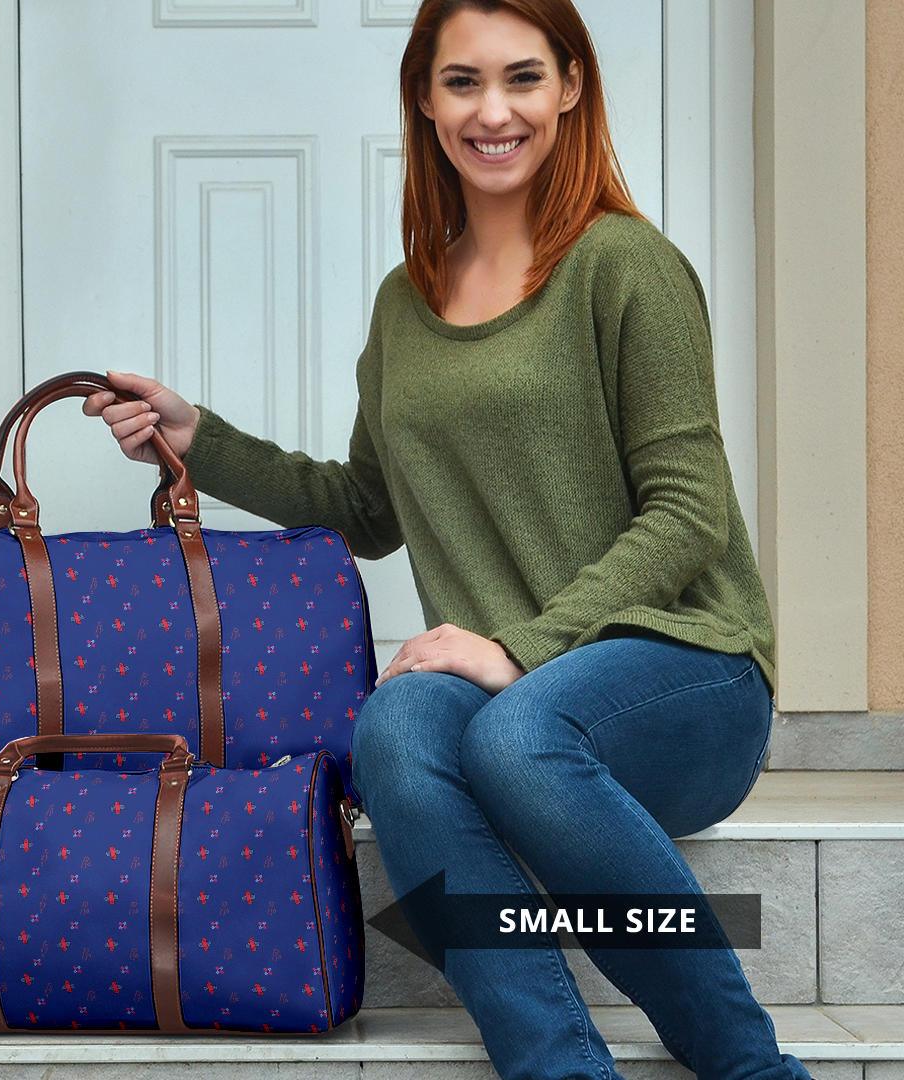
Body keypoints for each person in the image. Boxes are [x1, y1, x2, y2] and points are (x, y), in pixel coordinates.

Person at [83, 2, 812, 1076]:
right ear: (425, 100)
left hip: (687, 674)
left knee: (516, 735)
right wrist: (203, 443)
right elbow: (369, 507)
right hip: (517, 698)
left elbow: (690, 511)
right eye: (463, 82)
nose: (493, 111)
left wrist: (522, 648)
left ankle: (752, 1067)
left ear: (571, 86)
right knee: (392, 727)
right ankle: (558, 1067)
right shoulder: (407, 302)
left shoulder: (626, 266)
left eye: (523, 78)